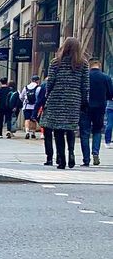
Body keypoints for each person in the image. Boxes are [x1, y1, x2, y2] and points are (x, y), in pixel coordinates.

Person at [41, 36, 90, 169]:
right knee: (70, 129)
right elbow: (85, 85)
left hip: (56, 99)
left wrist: (47, 95)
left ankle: (61, 159)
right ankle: (72, 154)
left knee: (57, 130)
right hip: (74, 100)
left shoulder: (56, 62)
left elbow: (50, 82)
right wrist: (84, 101)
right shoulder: (83, 64)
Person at [84, 57, 113, 165]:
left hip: (86, 107)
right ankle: (95, 152)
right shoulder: (106, 77)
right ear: (99, 65)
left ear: (89, 65)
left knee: (85, 132)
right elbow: (111, 94)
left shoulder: (85, 77)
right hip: (100, 107)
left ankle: (86, 159)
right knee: (97, 131)